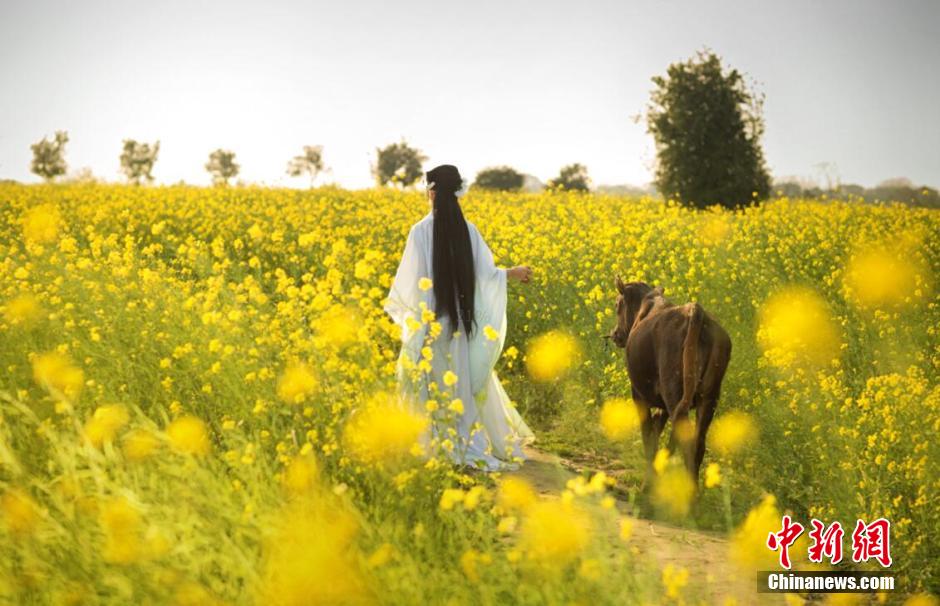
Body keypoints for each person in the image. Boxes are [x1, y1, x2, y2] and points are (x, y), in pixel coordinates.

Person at [384, 164, 535, 470]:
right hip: (461, 325)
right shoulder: (468, 230)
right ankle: (463, 440)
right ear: (457, 194)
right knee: (459, 387)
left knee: (428, 384)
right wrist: (511, 274)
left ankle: (428, 442)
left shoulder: (419, 231)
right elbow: (486, 275)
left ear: (432, 192)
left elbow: (410, 285)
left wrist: (412, 322)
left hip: (430, 325)